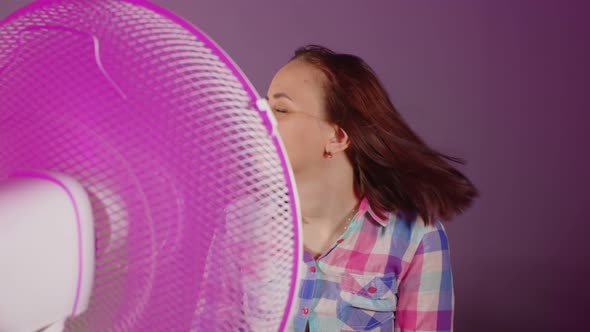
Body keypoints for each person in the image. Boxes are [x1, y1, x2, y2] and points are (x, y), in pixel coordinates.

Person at [266, 45, 478, 332]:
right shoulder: (241, 225)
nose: (262, 119)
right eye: (264, 106)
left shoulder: (415, 236)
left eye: (280, 109)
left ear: (338, 137)